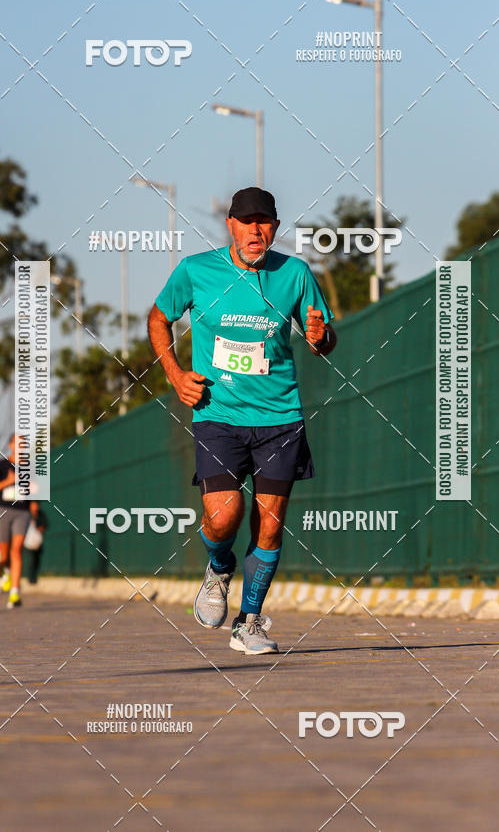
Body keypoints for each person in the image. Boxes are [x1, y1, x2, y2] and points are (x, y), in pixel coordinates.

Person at [148, 186, 337, 655]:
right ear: (230, 225)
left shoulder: (294, 273)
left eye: (265, 222)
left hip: (280, 417)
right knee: (223, 516)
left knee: (269, 525)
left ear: (275, 227)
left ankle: (248, 623)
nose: (256, 230)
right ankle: (218, 567)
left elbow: (323, 337)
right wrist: (174, 375)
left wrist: (321, 335)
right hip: (219, 414)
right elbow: (157, 318)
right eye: (247, 221)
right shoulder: (196, 270)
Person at [0, 435, 31, 609]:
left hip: (22, 511)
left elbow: (34, 489)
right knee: (4, 555)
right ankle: (6, 571)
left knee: (17, 548)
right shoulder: (1, 465)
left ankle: (14, 593)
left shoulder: (29, 466)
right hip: (4, 509)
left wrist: (34, 491)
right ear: (11, 445)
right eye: (17, 442)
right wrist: (8, 481)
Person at [23, 501, 48, 584]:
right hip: (28, 542)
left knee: (37, 560)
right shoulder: (26, 514)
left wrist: (40, 528)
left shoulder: (41, 515)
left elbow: (45, 524)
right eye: (33, 505)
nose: (35, 507)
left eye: (36, 505)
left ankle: (35, 578)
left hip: (38, 542)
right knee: (31, 560)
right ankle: (31, 579)